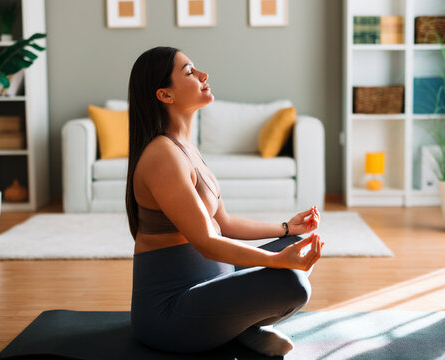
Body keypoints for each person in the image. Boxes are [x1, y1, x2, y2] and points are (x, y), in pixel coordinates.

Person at [126, 46, 323, 357]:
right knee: (292, 285)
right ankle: (238, 328)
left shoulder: (184, 147)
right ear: (165, 95)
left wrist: (286, 228)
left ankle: (237, 328)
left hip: (212, 285)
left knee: (295, 246)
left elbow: (225, 224)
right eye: (189, 72)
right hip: (170, 313)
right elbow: (206, 241)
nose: (204, 75)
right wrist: (276, 261)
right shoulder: (162, 155)